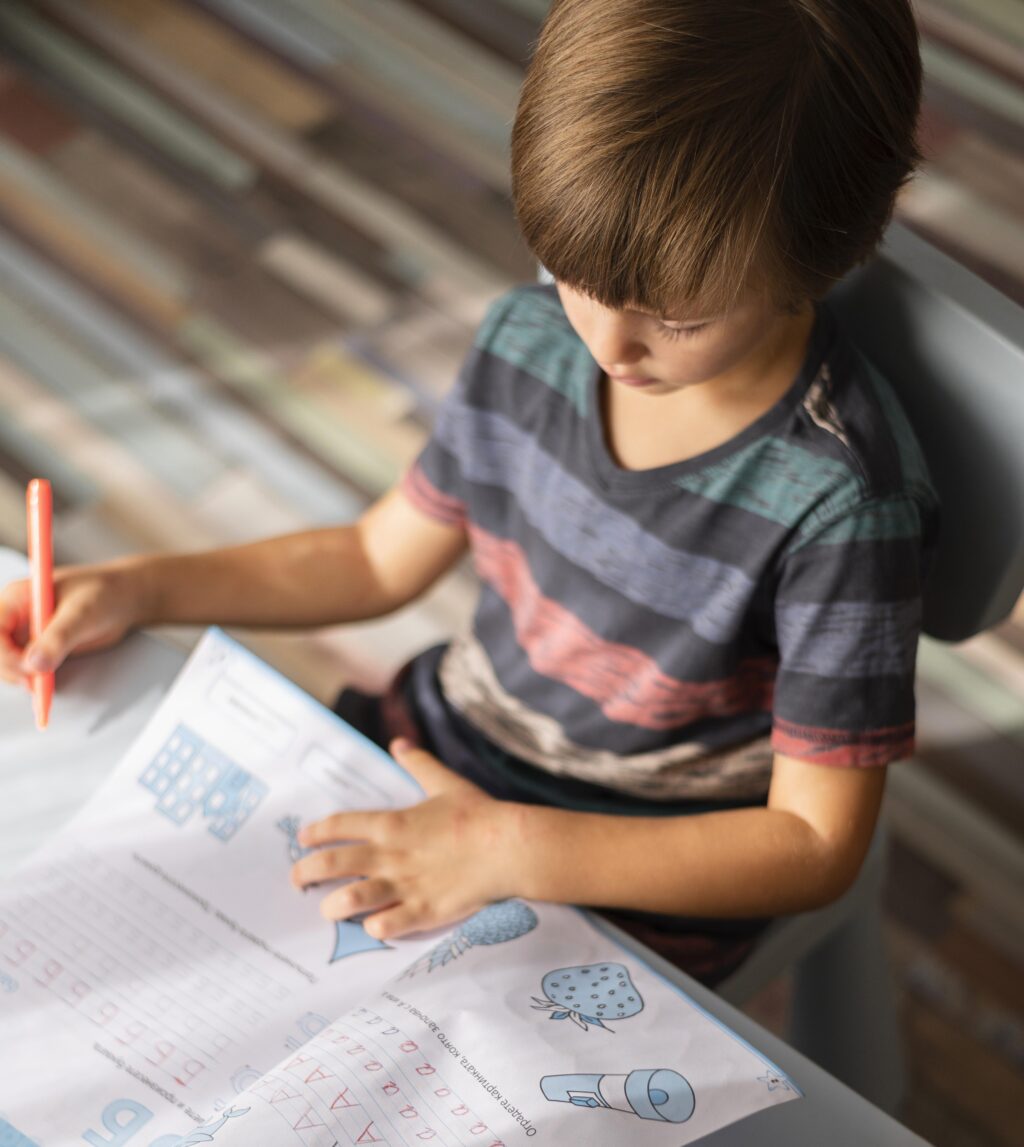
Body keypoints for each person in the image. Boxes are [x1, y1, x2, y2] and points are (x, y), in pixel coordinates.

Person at [0, 0, 938, 986]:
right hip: (442, 753)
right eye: (578, 278)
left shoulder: (842, 500)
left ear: (827, 255)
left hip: (628, 877)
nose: (608, 346)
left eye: (677, 318)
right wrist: (142, 588)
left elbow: (810, 843)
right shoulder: (529, 338)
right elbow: (372, 558)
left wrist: (508, 851)